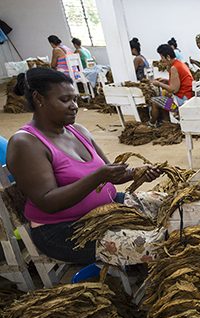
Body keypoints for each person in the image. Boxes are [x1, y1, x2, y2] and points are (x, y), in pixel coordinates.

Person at [6, 68, 161, 265]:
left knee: (170, 206)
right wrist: (98, 176)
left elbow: (111, 173)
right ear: (39, 98)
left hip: (106, 208)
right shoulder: (26, 144)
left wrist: (138, 173)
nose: (74, 106)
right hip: (64, 230)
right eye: (65, 100)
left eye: (75, 99)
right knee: (160, 244)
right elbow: (48, 202)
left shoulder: (78, 130)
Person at [150, 44, 193, 126]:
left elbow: (174, 89)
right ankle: (166, 124)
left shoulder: (174, 68)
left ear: (168, 57)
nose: (161, 60)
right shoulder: (179, 64)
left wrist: (159, 84)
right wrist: (166, 81)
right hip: (188, 96)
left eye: (162, 57)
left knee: (154, 101)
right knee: (163, 100)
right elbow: (179, 82)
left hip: (182, 102)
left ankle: (151, 124)